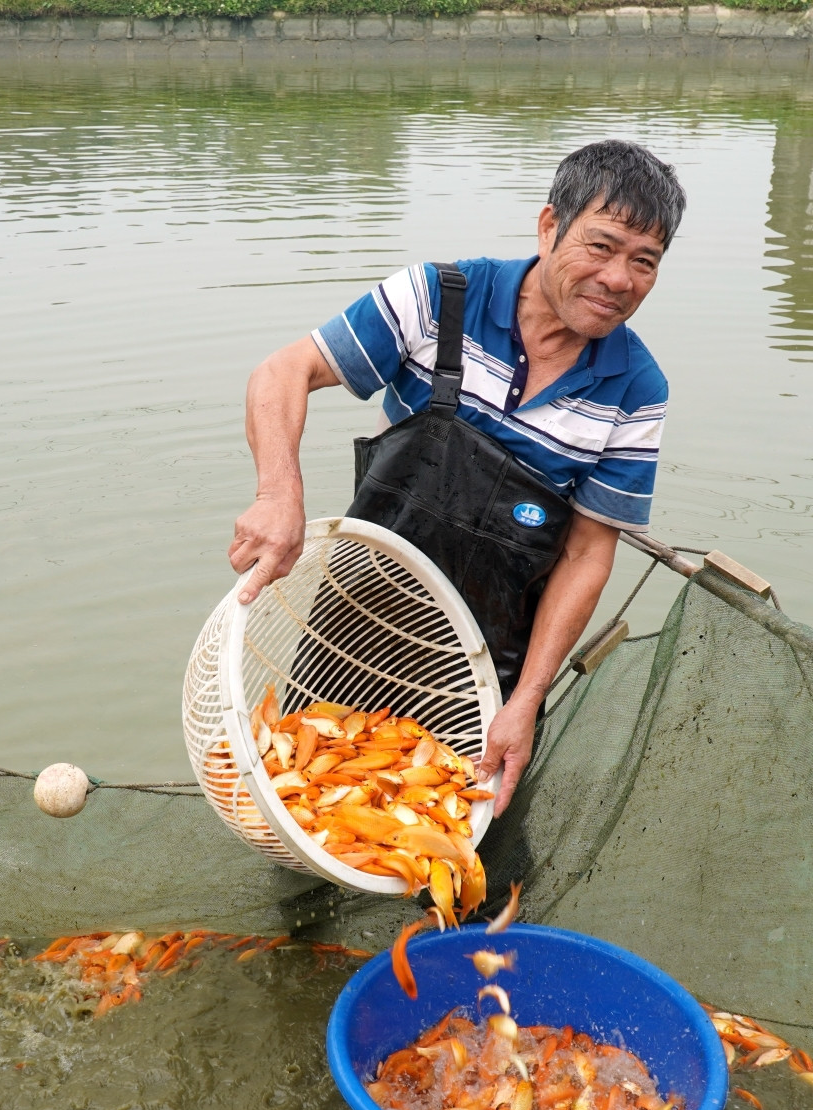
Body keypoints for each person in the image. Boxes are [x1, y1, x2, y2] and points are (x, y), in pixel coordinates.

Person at [228, 139, 685, 813]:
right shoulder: (440, 298)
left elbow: (588, 554)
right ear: (549, 226)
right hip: (351, 633)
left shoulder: (636, 390)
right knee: (306, 812)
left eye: (644, 261)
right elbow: (283, 371)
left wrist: (525, 700)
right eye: (601, 246)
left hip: (484, 675)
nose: (619, 279)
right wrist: (278, 495)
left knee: (456, 840)